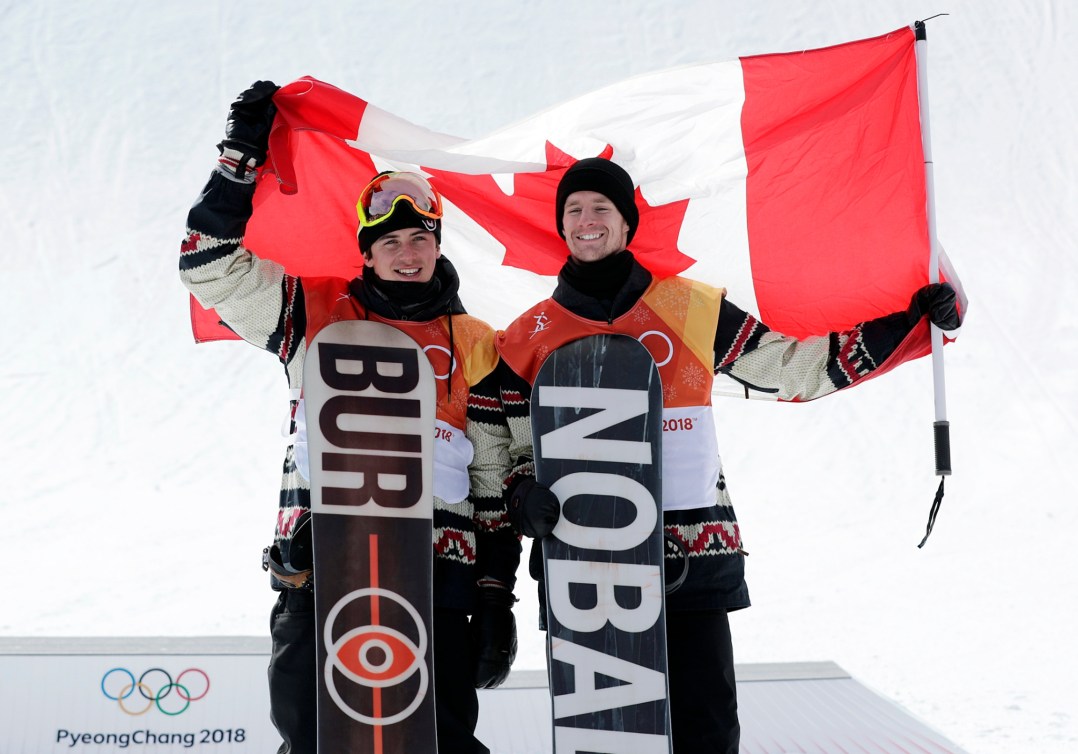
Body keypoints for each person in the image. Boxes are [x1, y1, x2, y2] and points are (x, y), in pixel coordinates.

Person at [494, 157, 961, 753]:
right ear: (561, 226)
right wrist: (521, 493)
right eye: (574, 210)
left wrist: (909, 323)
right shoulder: (528, 335)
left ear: (627, 224)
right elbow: (504, 447)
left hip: (690, 560)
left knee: (706, 734)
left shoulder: (692, 307)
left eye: (601, 208)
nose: (587, 220)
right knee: (604, 740)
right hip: (589, 569)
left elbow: (793, 369)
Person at [180, 81, 520, 754]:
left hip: (436, 578)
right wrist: (239, 159)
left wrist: (495, 594)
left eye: (420, 237)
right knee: (314, 742)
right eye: (389, 240)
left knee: (439, 742)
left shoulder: (478, 340)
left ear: (437, 245)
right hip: (320, 567)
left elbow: (492, 476)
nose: (406, 251)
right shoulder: (314, 310)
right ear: (364, 251)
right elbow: (208, 266)